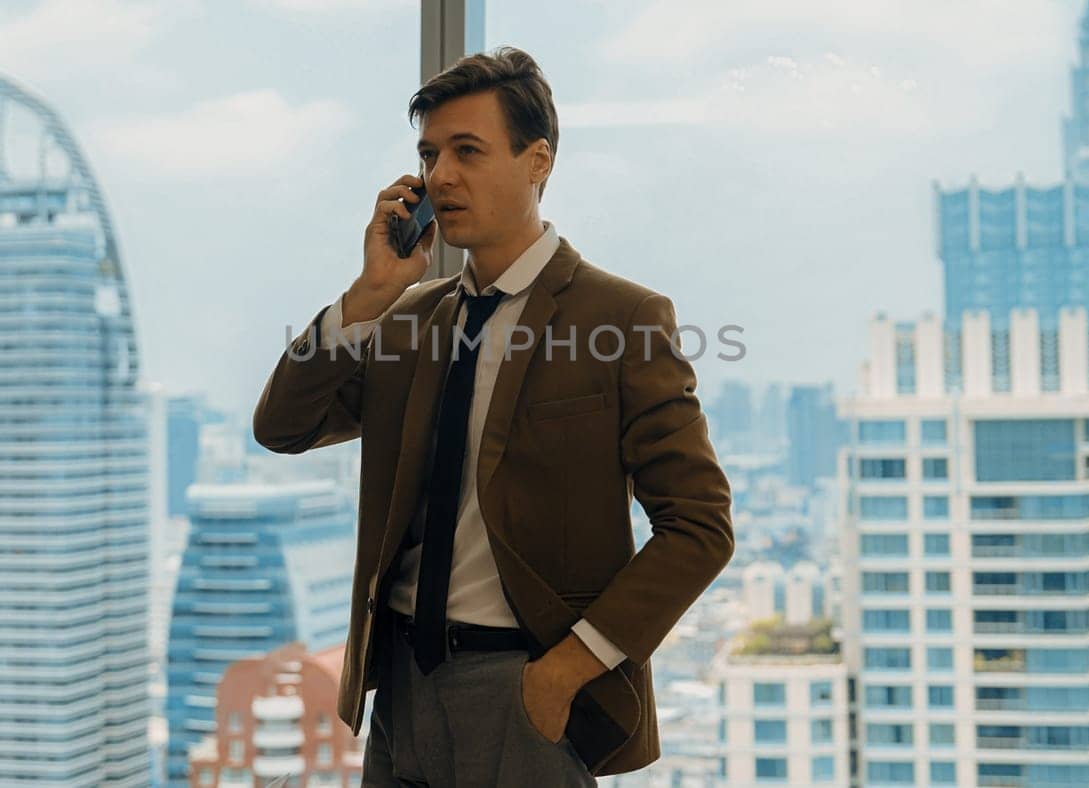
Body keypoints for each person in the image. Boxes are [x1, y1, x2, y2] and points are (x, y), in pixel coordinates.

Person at [253, 46, 733, 785]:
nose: (441, 175)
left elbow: (699, 525)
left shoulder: (622, 318)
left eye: (467, 151)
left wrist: (566, 671)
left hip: (524, 692)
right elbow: (283, 427)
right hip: (401, 690)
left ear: (537, 161)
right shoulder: (410, 318)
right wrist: (367, 294)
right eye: (429, 154)